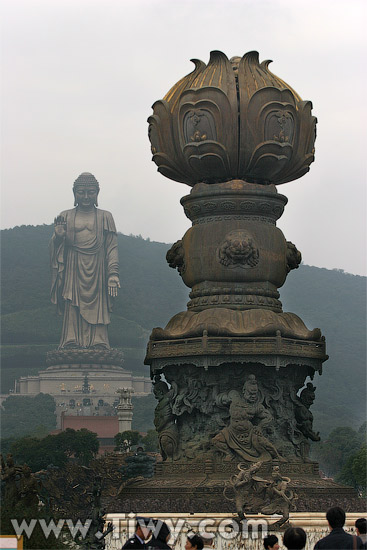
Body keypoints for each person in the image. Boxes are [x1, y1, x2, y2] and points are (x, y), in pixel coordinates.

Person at [50, 172, 120, 349]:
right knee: (72, 303)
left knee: (98, 304)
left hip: (98, 267)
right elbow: (56, 248)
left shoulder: (106, 216)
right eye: (82, 192)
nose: (86, 196)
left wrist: (113, 274)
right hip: (73, 266)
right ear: (74, 193)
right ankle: (70, 340)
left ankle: (99, 341)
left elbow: (112, 247)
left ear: (97, 193)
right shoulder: (65, 216)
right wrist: (58, 238)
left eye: (91, 192)